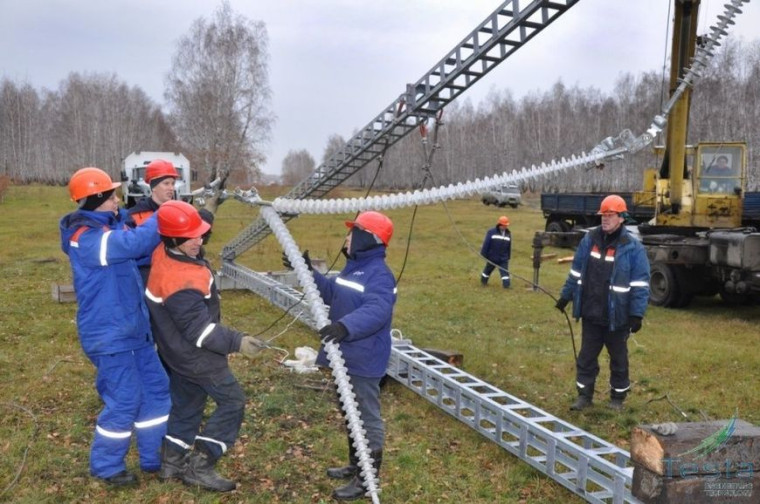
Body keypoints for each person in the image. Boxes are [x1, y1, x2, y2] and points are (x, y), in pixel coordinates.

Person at [59, 167, 170, 485]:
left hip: (134, 332)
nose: (117, 199)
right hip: (109, 336)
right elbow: (133, 244)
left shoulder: (109, 229)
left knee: (156, 391)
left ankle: (154, 458)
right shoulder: (89, 239)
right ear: (97, 199)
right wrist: (164, 214)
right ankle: (107, 467)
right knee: (125, 399)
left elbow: (137, 250)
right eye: (111, 195)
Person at [145, 200, 266, 492]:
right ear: (174, 237)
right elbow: (199, 331)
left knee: (188, 404)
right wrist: (238, 341)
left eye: (202, 234)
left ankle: (171, 463)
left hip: (175, 353)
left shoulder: (163, 251)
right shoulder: (180, 282)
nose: (199, 241)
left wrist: (198, 217)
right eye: (193, 236)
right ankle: (201, 464)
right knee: (233, 401)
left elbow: (189, 232)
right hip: (198, 356)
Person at [284, 211, 396, 501]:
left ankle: (366, 480)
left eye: (352, 233)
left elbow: (377, 310)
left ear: (366, 239)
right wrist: (309, 272)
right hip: (344, 356)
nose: (346, 238)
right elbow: (333, 293)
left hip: (363, 359)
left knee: (366, 418)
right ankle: (355, 464)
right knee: (350, 413)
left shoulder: (379, 274)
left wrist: (345, 327)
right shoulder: (354, 268)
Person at [554, 195, 650, 412]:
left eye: (610, 215)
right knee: (586, 357)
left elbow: (640, 284)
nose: (605, 219)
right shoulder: (589, 240)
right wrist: (566, 296)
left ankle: (617, 399)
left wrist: (637, 314)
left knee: (618, 359)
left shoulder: (632, 248)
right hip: (590, 312)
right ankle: (584, 396)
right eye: (603, 215)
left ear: (621, 218)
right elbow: (576, 272)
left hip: (617, 316)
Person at [127, 159, 180, 284]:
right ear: (153, 186)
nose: (171, 188)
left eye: (173, 183)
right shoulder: (136, 214)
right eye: (166, 183)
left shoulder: (179, 211)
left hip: (175, 271)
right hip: (148, 275)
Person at [479, 215, 512, 288]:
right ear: (499, 225)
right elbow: (486, 244)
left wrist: (508, 256)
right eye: (504, 225)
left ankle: (507, 286)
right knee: (487, 270)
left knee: (505, 273)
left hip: (503, 258)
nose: (505, 227)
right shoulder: (491, 232)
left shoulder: (508, 233)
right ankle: (483, 282)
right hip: (492, 257)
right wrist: (484, 254)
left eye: (506, 225)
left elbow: (509, 246)